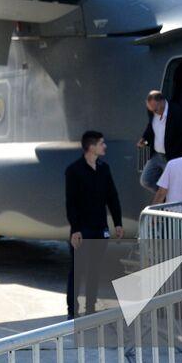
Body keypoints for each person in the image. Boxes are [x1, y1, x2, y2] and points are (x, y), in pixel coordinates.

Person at [64, 130, 124, 318]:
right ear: (91, 147)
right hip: (82, 229)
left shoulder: (104, 168)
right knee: (77, 270)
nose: (104, 146)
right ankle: (72, 311)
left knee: (95, 270)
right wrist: (75, 229)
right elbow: (71, 203)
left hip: (100, 228)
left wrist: (118, 222)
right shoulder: (73, 170)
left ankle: (90, 308)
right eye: (101, 143)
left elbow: (112, 197)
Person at [137, 89, 182, 192]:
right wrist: (144, 138)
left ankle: (171, 197)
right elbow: (151, 125)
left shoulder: (178, 112)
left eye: (155, 110)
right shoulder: (153, 111)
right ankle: (166, 197)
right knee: (146, 180)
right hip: (157, 155)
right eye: (151, 109)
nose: (153, 112)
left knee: (175, 185)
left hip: (173, 156)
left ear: (162, 102)